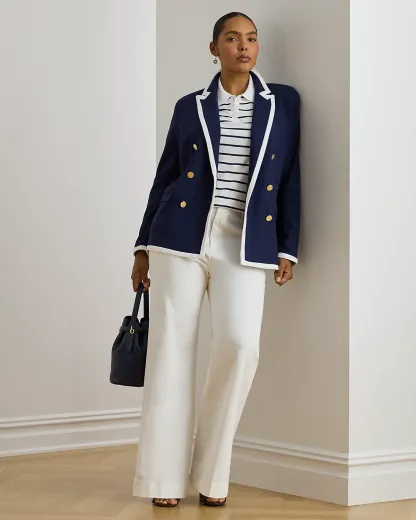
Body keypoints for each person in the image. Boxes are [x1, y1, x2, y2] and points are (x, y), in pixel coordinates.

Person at [130, 11, 301, 508]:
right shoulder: (190, 107)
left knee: (241, 344)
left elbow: (290, 177)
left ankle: (210, 472)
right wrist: (141, 246)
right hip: (179, 238)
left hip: (244, 240)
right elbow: (165, 176)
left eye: (251, 39)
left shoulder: (282, 103)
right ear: (214, 49)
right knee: (171, 352)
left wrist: (287, 245)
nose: (244, 47)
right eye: (232, 38)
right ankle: (162, 480)